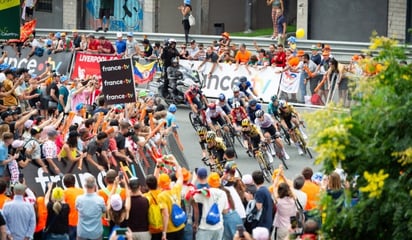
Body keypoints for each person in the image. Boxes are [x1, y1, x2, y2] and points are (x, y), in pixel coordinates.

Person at [192, 172, 228, 240]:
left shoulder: (206, 192)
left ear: (209, 182)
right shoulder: (223, 193)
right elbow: (225, 211)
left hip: (206, 227)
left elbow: (192, 197)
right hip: (218, 226)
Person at [76, 174, 106, 240]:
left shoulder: (79, 199)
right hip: (96, 233)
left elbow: (77, 209)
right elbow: (104, 211)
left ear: (85, 186)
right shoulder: (100, 200)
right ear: (95, 186)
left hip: (82, 233)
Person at [63, 174, 84, 240]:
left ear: (64, 183)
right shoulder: (82, 191)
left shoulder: (64, 193)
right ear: (74, 182)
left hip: (70, 223)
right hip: (82, 222)